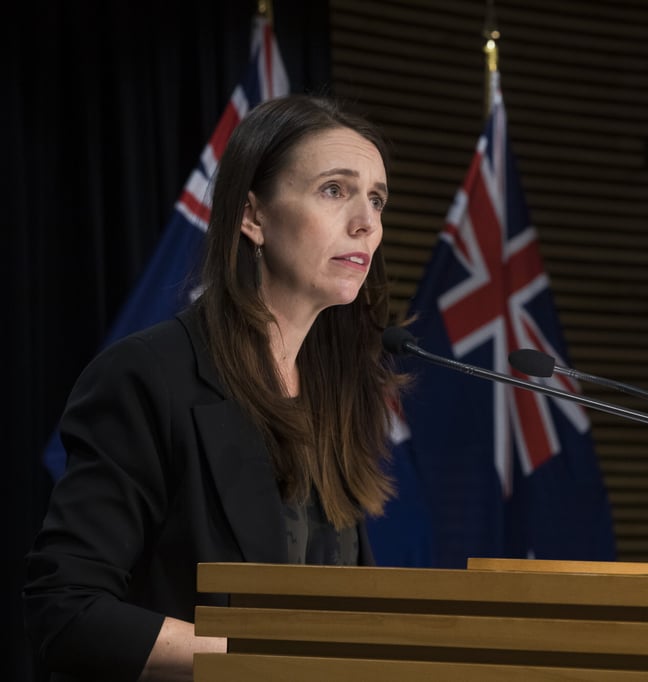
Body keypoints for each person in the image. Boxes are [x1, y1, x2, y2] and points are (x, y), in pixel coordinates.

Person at [24, 95, 404, 681]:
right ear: (253, 216)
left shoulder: (338, 397)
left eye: (376, 199)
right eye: (335, 190)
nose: (366, 222)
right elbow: (67, 610)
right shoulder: (149, 375)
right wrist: (256, 658)